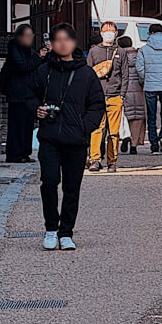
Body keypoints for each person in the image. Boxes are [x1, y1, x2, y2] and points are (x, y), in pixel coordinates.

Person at [30, 23, 105, 251]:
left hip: (76, 139)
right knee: (49, 182)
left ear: (73, 42)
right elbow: (29, 95)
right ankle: (51, 229)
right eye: (57, 40)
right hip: (50, 137)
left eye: (66, 39)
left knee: (72, 187)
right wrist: (37, 109)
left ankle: (66, 232)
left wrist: (85, 127)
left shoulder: (86, 73)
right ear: (52, 44)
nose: (62, 43)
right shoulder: (44, 71)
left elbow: (97, 104)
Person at [86, 22, 124, 172]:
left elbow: (125, 75)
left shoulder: (121, 52)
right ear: (101, 33)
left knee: (113, 132)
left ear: (116, 33)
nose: (108, 33)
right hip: (97, 97)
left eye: (111, 31)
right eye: (106, 31)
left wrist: (123, 95)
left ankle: (112, 161)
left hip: (115, 96)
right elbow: (87, 74)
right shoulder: (94, 52)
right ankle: (95, 159)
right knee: (96, 129)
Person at [1, 23, 41, 163]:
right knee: (16, 125)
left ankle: (24, 152)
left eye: (31, 36)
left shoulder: (29, 50)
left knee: (27, 125)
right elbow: (24, 66)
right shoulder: (14, 48)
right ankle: (14, 154)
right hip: (17, 93)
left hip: (29, 93)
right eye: (28, 36)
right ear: (20, 36)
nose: (30, 38)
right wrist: (39, 57)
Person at [135, 25, 162, 153]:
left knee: (151, 115)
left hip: (150, 86)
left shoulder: (144, 50)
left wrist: (146, 77)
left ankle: (154, 144)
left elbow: (139, 68)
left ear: (150, 33)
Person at [115, 35, 146, 152]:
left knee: (123, 117)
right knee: (137, 118)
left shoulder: (118, 56)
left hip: (124, 90)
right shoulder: (139, 55)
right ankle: (134, 145)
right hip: (138, 91)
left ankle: (125, 136)